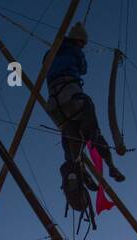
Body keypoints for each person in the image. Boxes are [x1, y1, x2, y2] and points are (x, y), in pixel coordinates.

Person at [44, 21, 125, 184]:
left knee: (71, 134)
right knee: (92, 129)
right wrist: (75, 53)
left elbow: (45, 66)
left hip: (54, 105)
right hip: (71, 96)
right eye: (82, 43)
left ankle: (76, 170)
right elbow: (83, 69)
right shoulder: (75, 51)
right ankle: (110, 165)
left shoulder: (50, 53)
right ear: (78, 40)